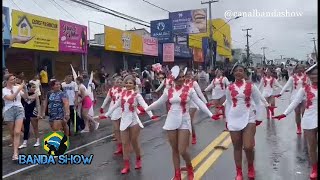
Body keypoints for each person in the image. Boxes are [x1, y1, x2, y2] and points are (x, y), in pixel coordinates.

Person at [146, 66, 215, 180]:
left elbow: (199, 102)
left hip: (184, 120)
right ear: (173, 79)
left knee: (182, 150)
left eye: (183, 77)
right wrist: (147, 109)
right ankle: (177, 173)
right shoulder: (168, 90)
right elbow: (159, 102)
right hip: (171, 120)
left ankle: (189, 166)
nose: (182, 79)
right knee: (174, 149)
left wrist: (211, 115)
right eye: (179, 77)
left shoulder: (190, 89)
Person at [100, 77, 158, 174]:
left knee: (134, 142)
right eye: (126, 83)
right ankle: (126, 166)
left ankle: (138, 159)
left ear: (134, 85)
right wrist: (106, 114)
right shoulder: (122, 95)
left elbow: (144, 105)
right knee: (125, 143)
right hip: (124, 121)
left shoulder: (136, 95)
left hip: (134, 120)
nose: (128, 84)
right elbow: (115, 106)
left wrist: (151, 115)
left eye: (130, 83)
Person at [224, 63, 271, 179]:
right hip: (234, 118)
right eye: (236, 71)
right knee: (237, 146)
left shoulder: (251, 86)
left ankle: (250, 166)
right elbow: (228, 104)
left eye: (241, 70)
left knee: (249, 146)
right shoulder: (229, 88)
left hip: (249, 117)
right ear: (233, 73)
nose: (238, 72)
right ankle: (239, 171)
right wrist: (227, 119)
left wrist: (259, 117)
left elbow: (258, 101)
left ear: (244, 73)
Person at [273, 64, 318, 179]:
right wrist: (284, 113)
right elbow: (295, 102)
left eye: (316, 73)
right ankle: (314, 168)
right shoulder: (304, 89)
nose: (314, 76)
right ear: (309, 76)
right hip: (309, 120)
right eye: (312, 74)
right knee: (311, 145)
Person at [2, 75, 31, 160]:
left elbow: (26, 97)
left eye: (14, 79)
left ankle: (15, 153)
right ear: (7, 81)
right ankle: (15, 148)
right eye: (11, 79)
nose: (14, 80)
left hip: (19, 109)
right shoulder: (3, 90)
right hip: (9, 110)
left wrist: (25, 89)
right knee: (12, 133)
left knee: (17, 132)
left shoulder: (17, 87)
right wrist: (19, 88)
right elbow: (11, 98)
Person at [276, 64, 310, 134]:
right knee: (297, 113)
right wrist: (280, 93)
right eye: (299, 68)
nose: (300, 69)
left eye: (302, 68)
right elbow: (286, 86)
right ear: (296, 69)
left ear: (304, 69)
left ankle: (305, 126)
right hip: (295, 97)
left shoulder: (307, 77)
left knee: (304, 112)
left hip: (304, 96)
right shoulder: (292, 77)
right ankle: (298, 127)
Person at [100, 77, 125, 155]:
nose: (119, 83)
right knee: (116, 129)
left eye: (121, 82)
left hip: (123, 110)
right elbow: (107, 99)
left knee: (123, 129)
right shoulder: (112, 90)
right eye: (118, 82)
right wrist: (102, 107)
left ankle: (126, 144)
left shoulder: (126, 90)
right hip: (114, 111)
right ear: (115, 83)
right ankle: (119, 146)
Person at [184, 68, 208, 144]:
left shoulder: (194, 83)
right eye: (186, 75)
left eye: (189, 75)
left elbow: (200, 93)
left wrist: (206, 102)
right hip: (185, 105)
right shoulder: (181, 83)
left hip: (193, 105)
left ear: (191, 75)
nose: (188, 76)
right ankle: (185, 136)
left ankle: (193, 136)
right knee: (184, 121)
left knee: (190, 120)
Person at [19, 83, 41, 149]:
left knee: (35, 127)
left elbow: (38, 105)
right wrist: (25, 89)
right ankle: (25, 142)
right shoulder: (24, 94)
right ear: (28, 88)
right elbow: (25, 97)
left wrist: (39, 114)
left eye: (35, 87)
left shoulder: (36, 95)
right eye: (32, 87)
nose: (34, 88)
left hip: (33, 112)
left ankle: (37, 140)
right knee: (26, 127)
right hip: (26, 112)